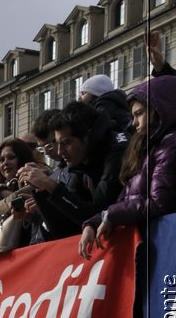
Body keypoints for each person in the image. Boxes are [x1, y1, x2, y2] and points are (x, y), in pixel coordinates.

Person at [78, 74, 176, 318]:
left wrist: (111, 216)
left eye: (141, 113)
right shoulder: (147, 150)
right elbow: (126, 199)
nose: (135, 121)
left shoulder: (170, 145)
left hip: (166, 256)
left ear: (161, 111)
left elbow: (159, 201)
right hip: (150, 257)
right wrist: (97, 218)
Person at [17, 101, 126, 240]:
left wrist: (51, 185)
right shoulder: (85, 159)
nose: (59, 151)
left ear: (87, 136)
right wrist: (41, 190)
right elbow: (63, 231)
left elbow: (96, 214)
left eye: (66, 143)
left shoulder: (117, 152)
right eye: (58, 144)